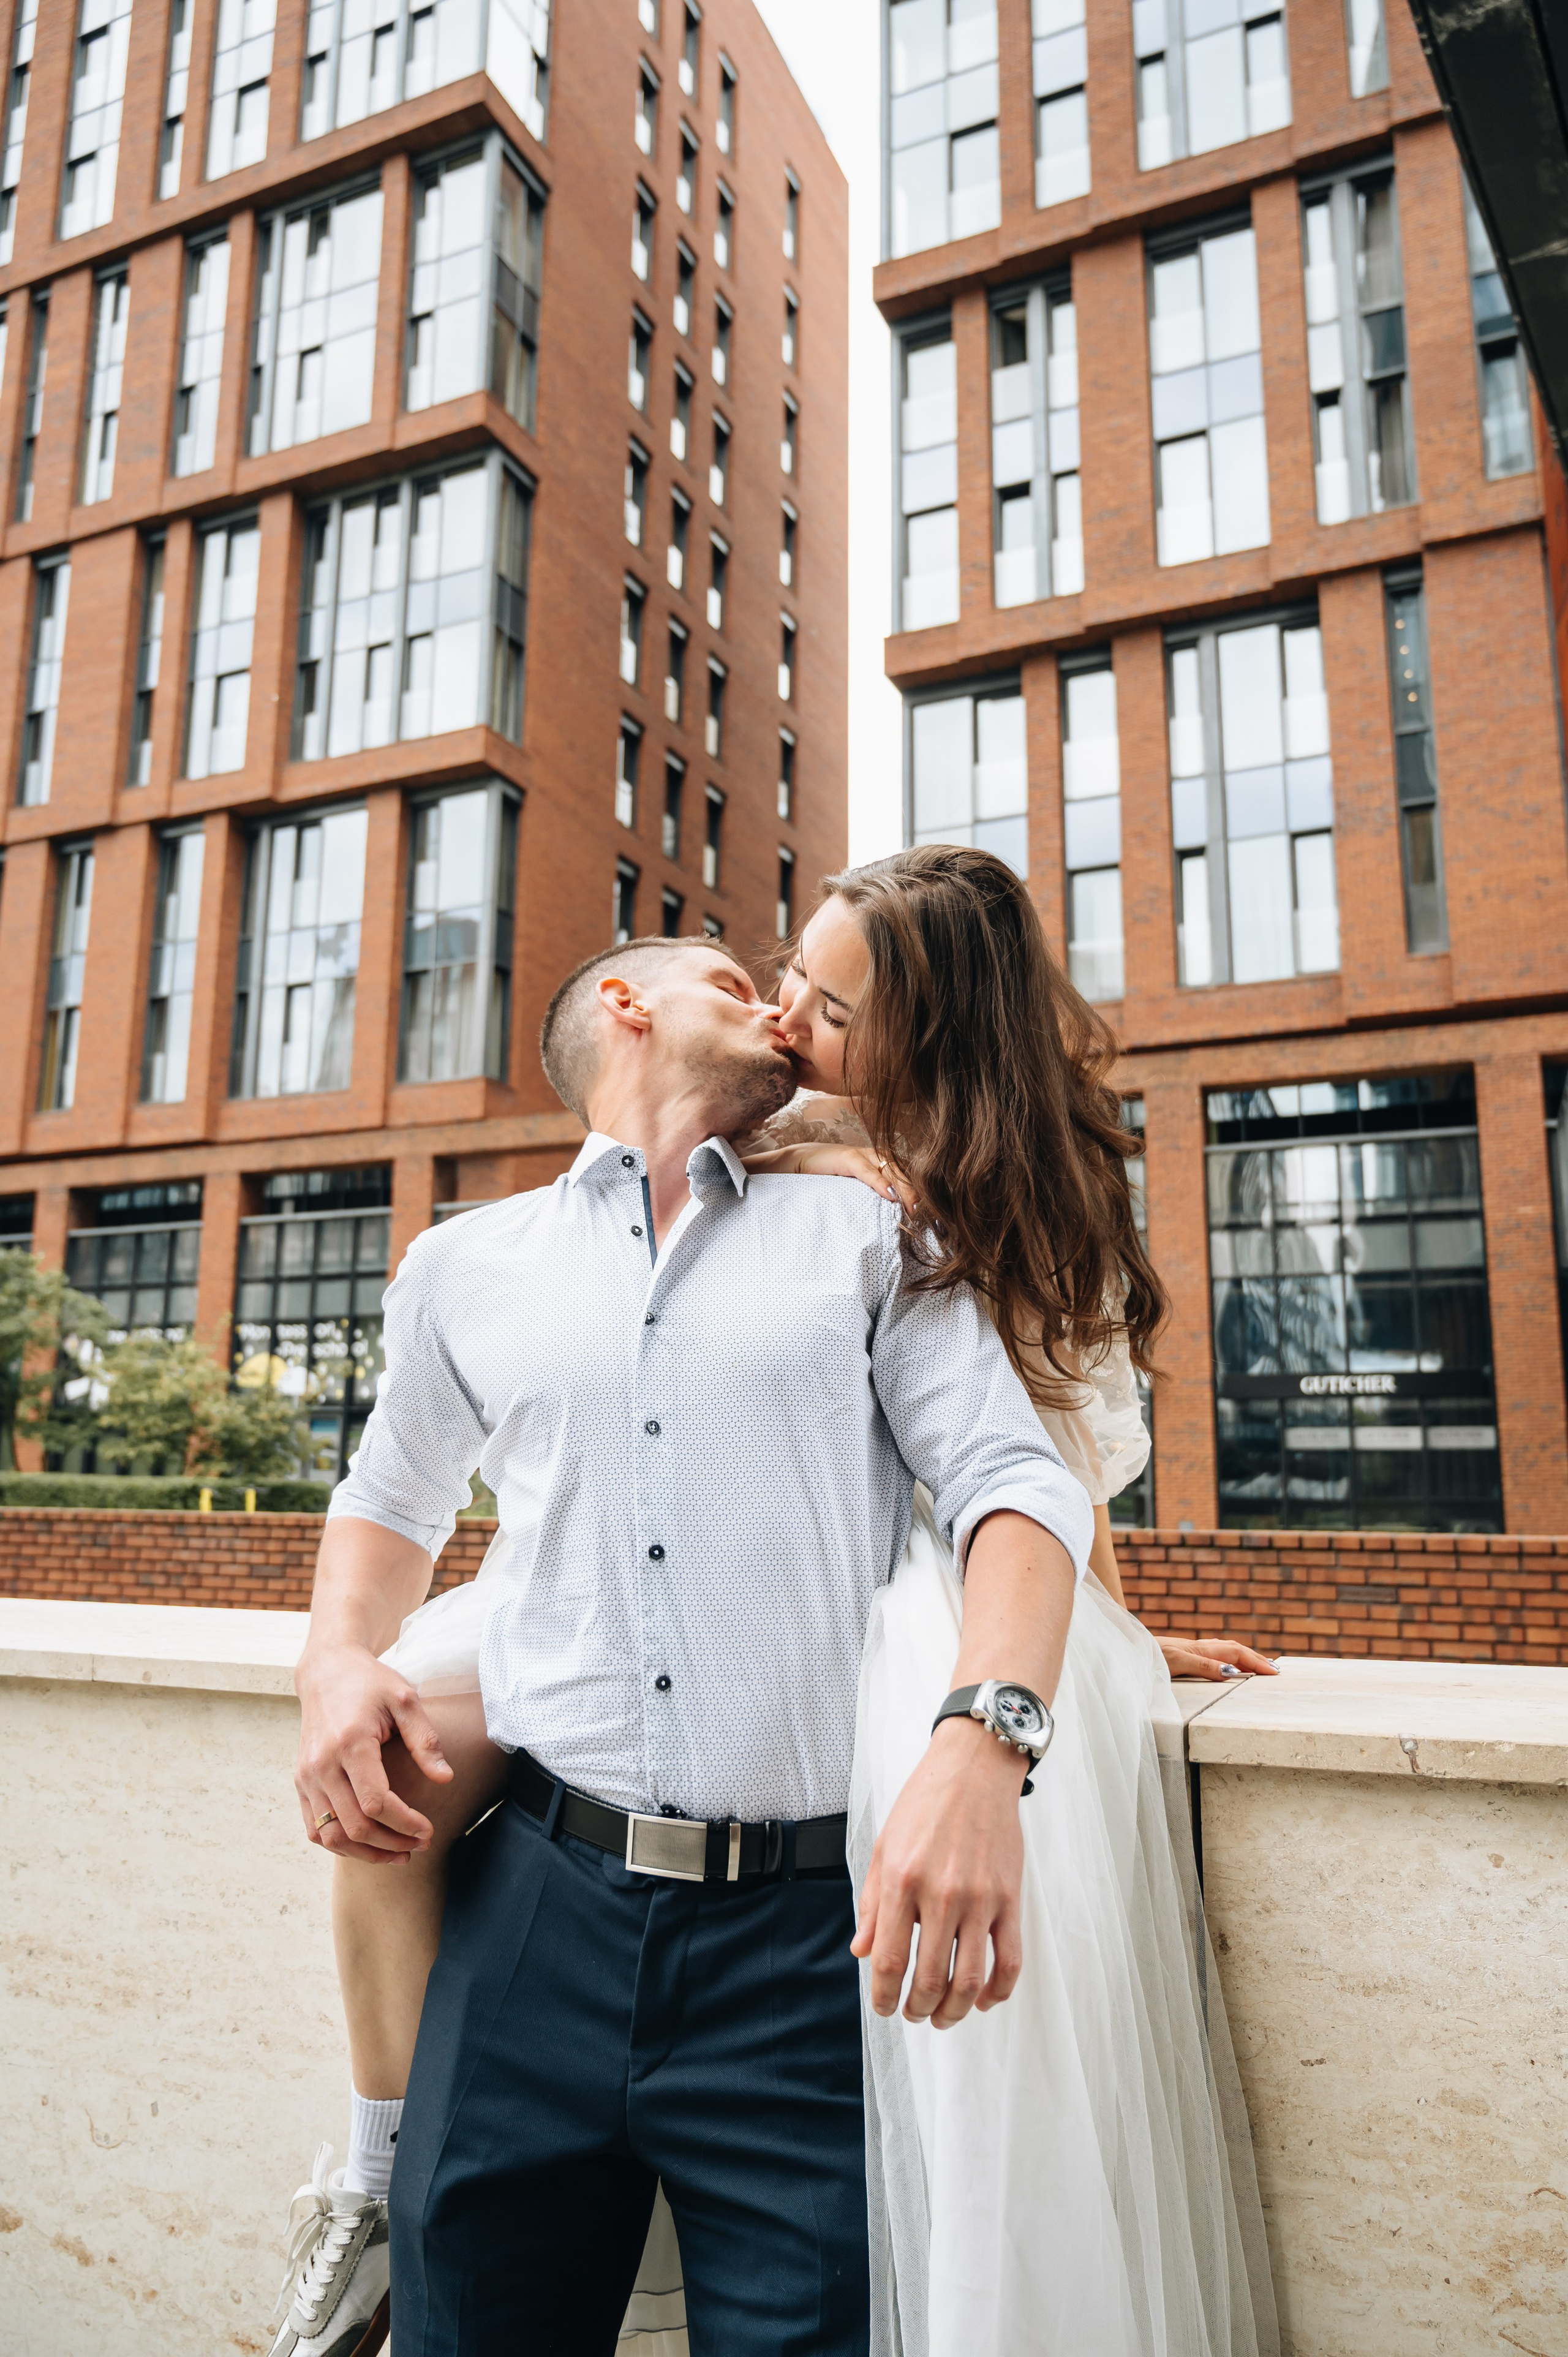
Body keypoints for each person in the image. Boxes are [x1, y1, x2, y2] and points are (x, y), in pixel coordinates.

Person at [279, 921, 1098, 2357]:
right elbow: (385, 1508)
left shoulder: (875, 1231)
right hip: (530, 1920)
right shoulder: (465, 1267)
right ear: (622, 1006)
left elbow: (1010, 1487)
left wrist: (985, 1742)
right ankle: (365, 2182)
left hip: (802, 1949)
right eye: (735, 982)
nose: (782, 1013)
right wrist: (337, 1658)